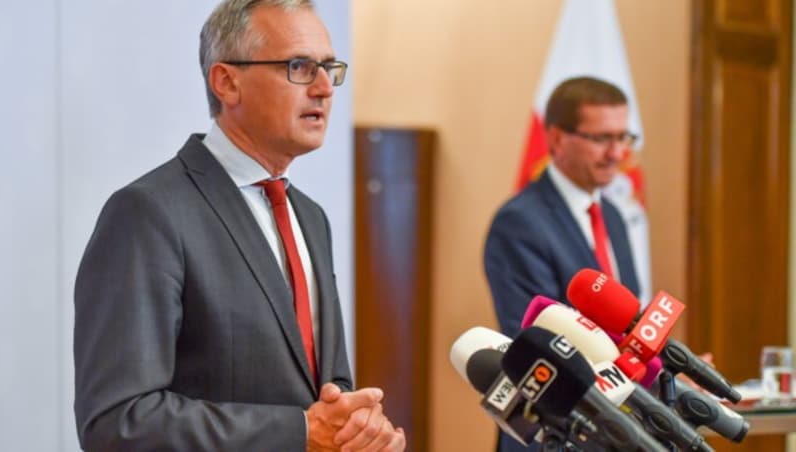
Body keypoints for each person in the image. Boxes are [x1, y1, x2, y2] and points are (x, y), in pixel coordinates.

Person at [73, 1, 405, 451]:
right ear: (227, 82)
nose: (325, 88)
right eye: (300, 67)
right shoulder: (148, 213)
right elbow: (118, 422)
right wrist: (302, 432)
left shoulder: (310, 217)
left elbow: (327, 390)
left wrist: (360, 427)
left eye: (329, 67)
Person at [483, 77, 641, 451]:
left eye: (624, 138)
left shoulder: (614, 216)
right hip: (554, 434)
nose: (617, 153)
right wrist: (645, 376)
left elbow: (629, 320)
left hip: (613, 428)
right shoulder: (520, 222)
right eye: (602, 138)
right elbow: (545, 344)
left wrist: (667, 374)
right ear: (555, 138)